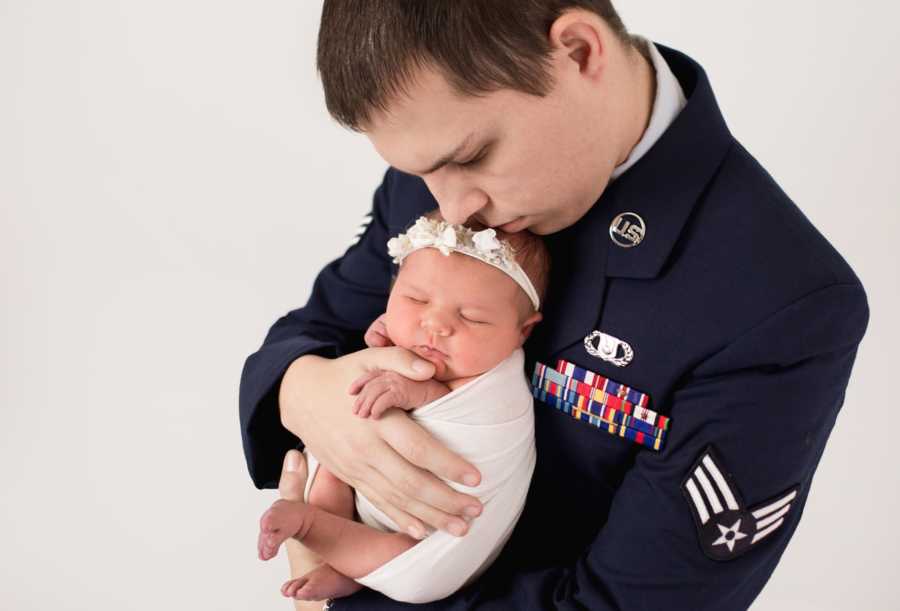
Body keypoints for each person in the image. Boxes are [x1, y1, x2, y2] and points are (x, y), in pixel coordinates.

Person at [239, 2, 870, 609]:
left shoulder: (781, 301)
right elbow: (314, 332)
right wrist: (307, 394)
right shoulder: (443, 166)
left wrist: (335, 600)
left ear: (577, 51)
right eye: (428, 174)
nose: (453, 213)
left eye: (470, 157)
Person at [257, 212, 549, 604]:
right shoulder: (406, 196)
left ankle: (316, 531)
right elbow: (315, 332)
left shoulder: (497, 382)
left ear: (523, 331)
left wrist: (412, 390)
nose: (436, 324)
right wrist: (379, 352)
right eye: (416, 299)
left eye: (472, 317)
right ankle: (338, 552)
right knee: (328, 463)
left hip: (440, 542)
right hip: (372, 487)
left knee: (414, 572)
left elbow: (465, 407)